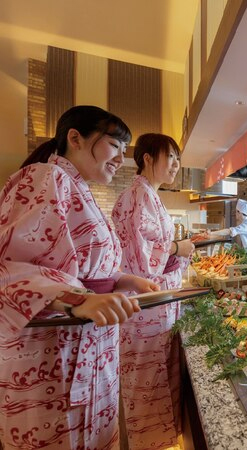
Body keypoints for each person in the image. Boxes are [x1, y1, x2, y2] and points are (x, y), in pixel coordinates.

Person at [0, 105, 159, 450]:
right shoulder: (44, 177)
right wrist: (78, 299)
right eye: (115, 145)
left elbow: (84, 267)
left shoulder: (75, 186)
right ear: (75, 137)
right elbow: (10, 267)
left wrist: (121, 280)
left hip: (89, 341)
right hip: (54, 352)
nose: (121, 158)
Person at [112, 133, 194, 450]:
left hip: (157, 309)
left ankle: (159, 443)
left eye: (177, 158)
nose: (175, 164)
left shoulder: (150, 197)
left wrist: (179, 253)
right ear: (147, 158)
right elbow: (143, 261)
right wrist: (177, 246)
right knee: (146, 389)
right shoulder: (136, 197)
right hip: (143, 311)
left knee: (158, 387)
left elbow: (157, 260)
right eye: (169, 156)